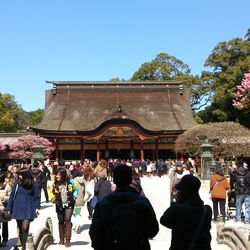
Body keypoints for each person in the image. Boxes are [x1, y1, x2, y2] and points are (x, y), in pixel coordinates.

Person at [89, 164, 159, 250]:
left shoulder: (103, 204)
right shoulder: (142, 201)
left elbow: (95, 232)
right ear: (130, 180)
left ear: (114, 180)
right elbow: (153, 230)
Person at [160, 174, 212, 250]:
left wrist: (176, 202)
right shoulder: (207, 210)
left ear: (183, 192)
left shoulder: (177, 210)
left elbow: (164, 220)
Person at [5, 167, 40, 250]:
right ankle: (23, 244)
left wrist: (37, 207)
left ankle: (25, 246)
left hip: (29, 207)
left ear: (26, 175)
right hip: (18, 208)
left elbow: (37, 196)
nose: (19, 176)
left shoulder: (33, 184)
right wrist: (8, 208)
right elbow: (12, 196)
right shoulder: (17, 184)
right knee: (20, 228)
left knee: (25, 227)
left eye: (20, 174)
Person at [49, 167, 78, 247]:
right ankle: (61, 239)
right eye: (56, 174)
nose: (57, 176)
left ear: (63, 175)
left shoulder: (70, 182)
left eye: (59, 174)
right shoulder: (54, 183)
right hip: (59, 203)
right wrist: (53, 198)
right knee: (61, 220)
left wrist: (74, 196)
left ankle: (68, 240)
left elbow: (76, 189)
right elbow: (51, 192)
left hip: (69, 203)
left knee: (67, 219)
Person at [0, 171, 12, 247]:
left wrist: (4, 198)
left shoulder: (8, 187)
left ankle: (5, 239)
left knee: (4, 225)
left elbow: (11, 198)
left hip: (3, 209)